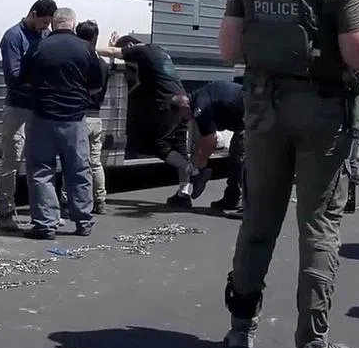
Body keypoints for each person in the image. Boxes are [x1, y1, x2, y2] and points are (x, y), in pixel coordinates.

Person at [216, 0, 359, 348]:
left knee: (258, 219)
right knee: (319, 226)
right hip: (323, 115)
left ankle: (239, 327)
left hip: (264, 111)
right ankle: (312, 346)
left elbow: (228, 48)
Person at [17, 8, 105, 239]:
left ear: (54, 24)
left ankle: (45, 225)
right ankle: (83, 221)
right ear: (73, 25)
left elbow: (23, 81)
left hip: (42, 118)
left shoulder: (38, 47)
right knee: (78, 171)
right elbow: (96, 85)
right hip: (75, 119)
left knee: (41, 172)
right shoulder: (86, 49)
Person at [96, 33, 193, 207]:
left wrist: (85, 46)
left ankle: (195, 171)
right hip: (182, 96)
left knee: (160, 146)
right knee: (179, 147)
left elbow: (111, 51)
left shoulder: (141, 51)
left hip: (169, 102)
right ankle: (184, 193)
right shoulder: (158, 51)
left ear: (131, 45)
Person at [0, 0, 57, 232]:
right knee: (12, 160)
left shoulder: (45, 36)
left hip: (37, 108)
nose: (45, 28)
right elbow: (13, 76)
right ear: (32, 14)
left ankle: (41, 211)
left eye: (48, 24)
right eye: (42, 23)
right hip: (19, 106)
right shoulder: (13, 37)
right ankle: (5, 210)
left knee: (40, 161)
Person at [60, 20, 110, 214]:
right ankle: (101, 200)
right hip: (96, 117)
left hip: (79, 116)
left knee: (71, 161)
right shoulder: (102, 63)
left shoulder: (79, 60)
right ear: (95, 38)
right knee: (95, 163)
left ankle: (66, 200)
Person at [177, 79, 245, 211]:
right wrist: (193, 163)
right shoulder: (198, 98)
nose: (185, 120)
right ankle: (232, 199)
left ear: (184, 106)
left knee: (243, 159)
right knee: (236, 155)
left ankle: (248, 206)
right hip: (244, 115)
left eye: (183, 116)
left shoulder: (200, 107)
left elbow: (210, 141)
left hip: (253, 114)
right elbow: (202, 138)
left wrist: (201, 166)